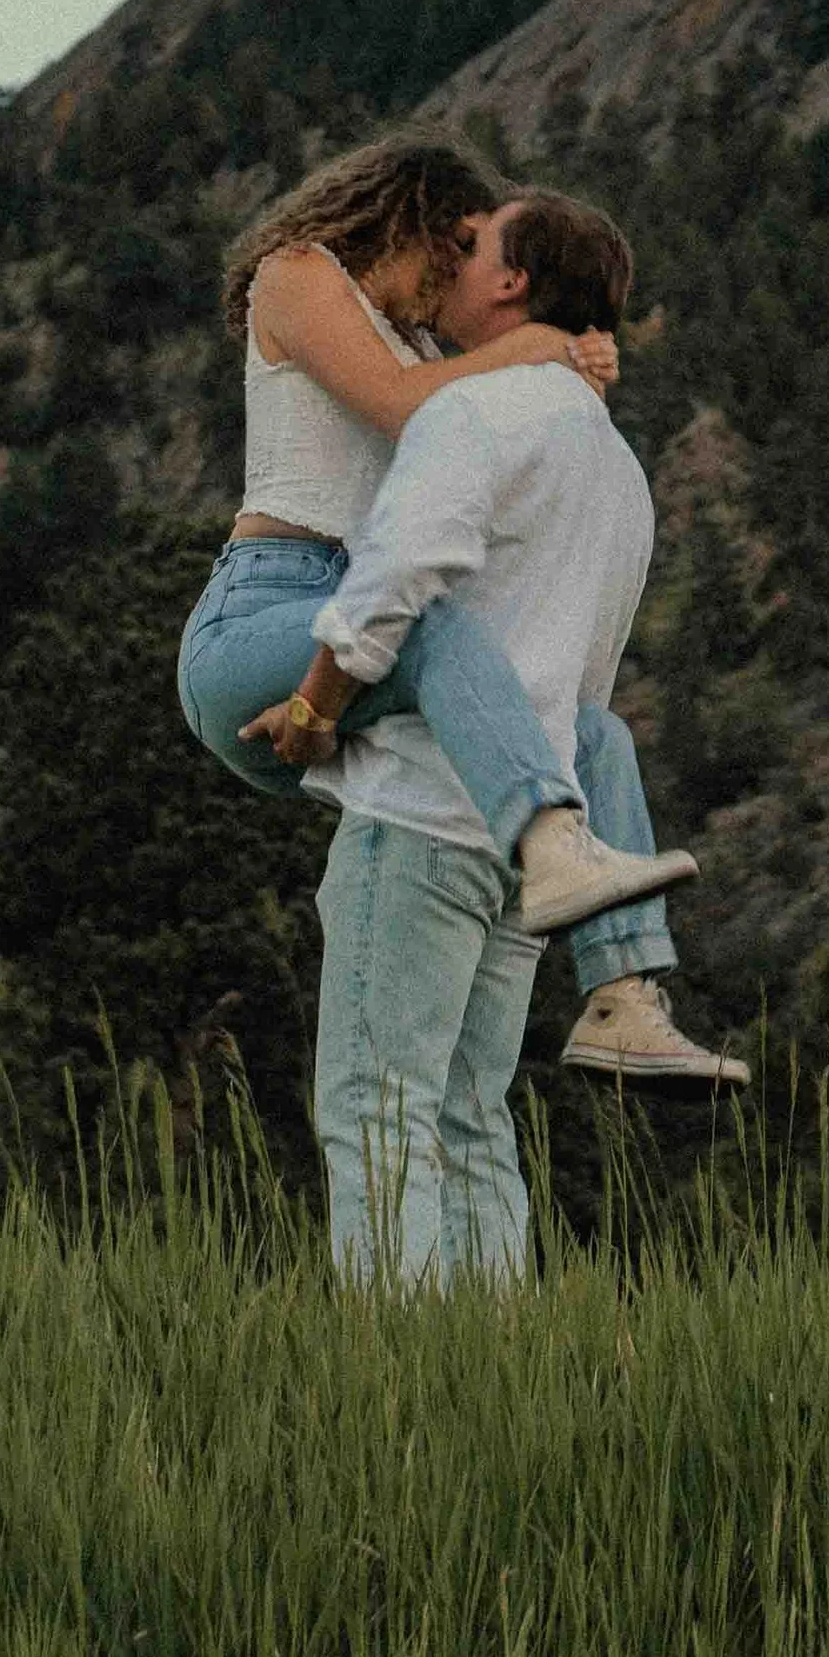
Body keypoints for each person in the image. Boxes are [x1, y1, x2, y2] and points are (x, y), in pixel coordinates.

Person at [177, 135, 741, 1083]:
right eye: (461, 246)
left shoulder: (431, 349)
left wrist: (561, 368)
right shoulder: (299, 274)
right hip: (261, 618)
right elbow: (402, 408)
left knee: (591, 731)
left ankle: (625, 993)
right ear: (419, 223)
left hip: (355, 642)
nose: (462, 276)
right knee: (438, 628)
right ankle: (548, 844)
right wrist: (535, 350)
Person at [290, 189, 684, 1278]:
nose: (448, 262)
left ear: (511, 281)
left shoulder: (471, 415)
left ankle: (395, 1376)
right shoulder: (617, 470)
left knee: (377, 1109)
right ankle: (490, 1362)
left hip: (419, 813)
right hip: (531, 848)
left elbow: (397, 579)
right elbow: (589, 681)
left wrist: (319, 699)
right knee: (470, 1117)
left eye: (468, 249)